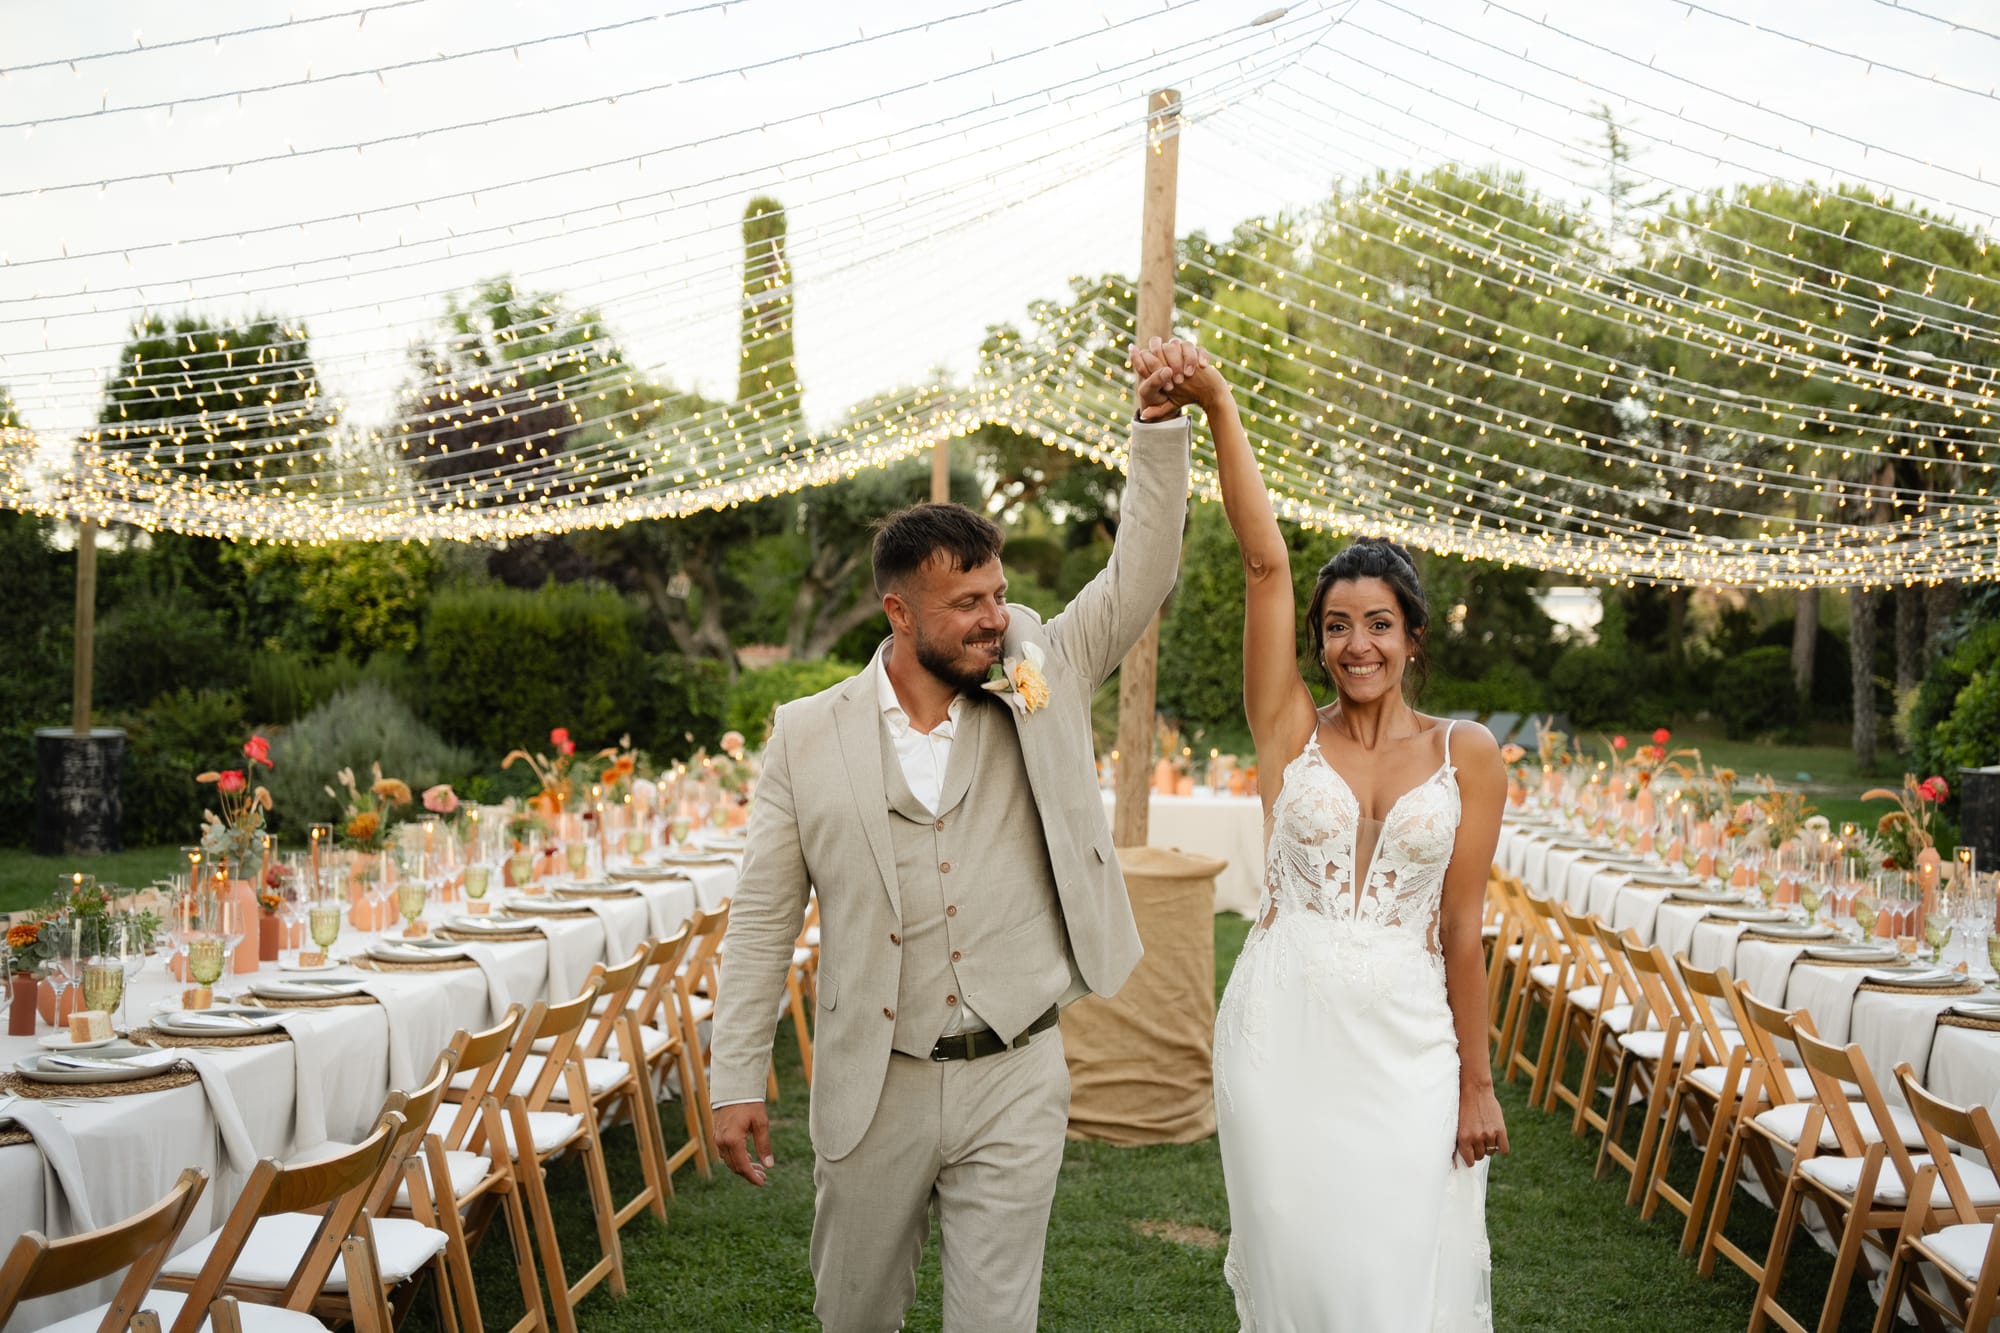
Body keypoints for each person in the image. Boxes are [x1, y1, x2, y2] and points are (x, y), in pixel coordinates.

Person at [704, 344, 1195, 1332]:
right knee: (854, 1315)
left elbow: (1139, 571)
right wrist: (731, 1076)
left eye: (996, 594)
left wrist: (1155, 435)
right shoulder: (806, 734)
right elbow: (761, 921)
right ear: (898, 612)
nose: (993, 617)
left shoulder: (1036, 668)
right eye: (966, 604)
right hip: (872, 1077)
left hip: (1016, 1068)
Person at [1147, 337, 1507, 1328]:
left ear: (1412, 636)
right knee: (1296, 1255)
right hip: (1282, 1030)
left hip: (1408, 1040)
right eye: (1336, 626)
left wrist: (1477, 1084)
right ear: (1316, 641)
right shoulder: (1288, 733)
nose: (1356, 645)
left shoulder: (1467, 753)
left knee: (1390, 1267)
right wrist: (1217, 402)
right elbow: (1264, 561)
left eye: (1378, 623)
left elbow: (1464, 931)